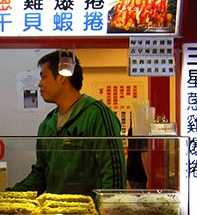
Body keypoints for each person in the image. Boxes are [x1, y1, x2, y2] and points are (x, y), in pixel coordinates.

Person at [9, 50, 126, 195]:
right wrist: (5, 196)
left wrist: (105, 213)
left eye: (44, 77)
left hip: (90, 214)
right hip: (56, 214)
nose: (39, 84)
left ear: (62, 78)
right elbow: (40, 176)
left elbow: (114, 176)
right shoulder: (47, 124)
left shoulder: (97, 114)